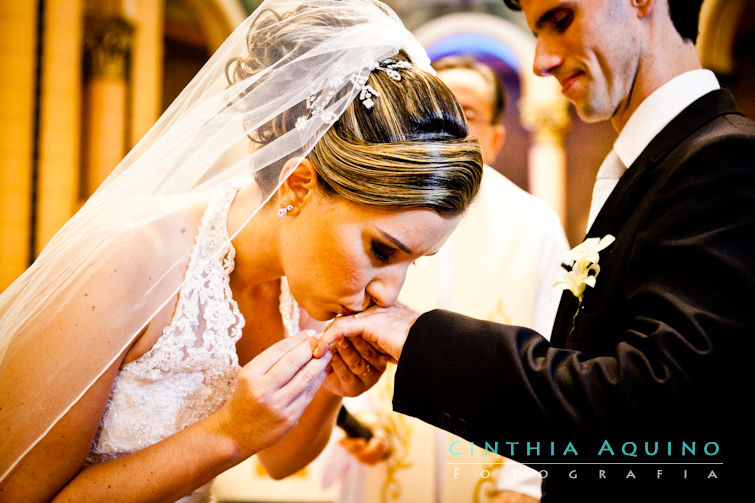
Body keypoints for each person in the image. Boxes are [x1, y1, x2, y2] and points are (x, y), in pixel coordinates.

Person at [0, 1, 483, 501]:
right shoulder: (126, 259)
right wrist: (226, 435)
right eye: (383, 251)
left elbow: (281, 459)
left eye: (412, 263)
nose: (389, 294)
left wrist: (330, 393)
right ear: (298, 185)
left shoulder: (308, 283)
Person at [316, 0, 755, 501]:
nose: (540, 61)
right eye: (535, 32)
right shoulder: (656, 167)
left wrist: (420, 337)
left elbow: (661, 410)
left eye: (561, 19)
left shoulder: (726, 159)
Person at [331, 55, 568, 503]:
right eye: (439, 109)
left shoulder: (534, 225)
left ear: (497, 138)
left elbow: (551, 349)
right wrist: (357, 418)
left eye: (469, 114)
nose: (451, 127)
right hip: (385, 466)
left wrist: (522, 481)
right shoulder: (381, 210)